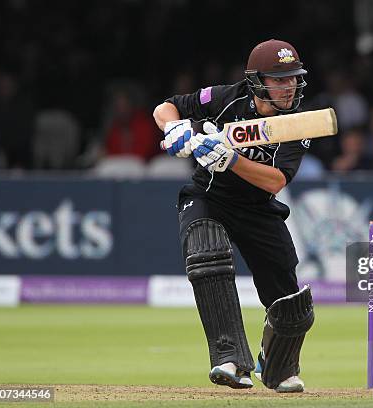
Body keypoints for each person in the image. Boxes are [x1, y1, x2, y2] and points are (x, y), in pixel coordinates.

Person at [152, 39, 315, 393]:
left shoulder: (298, 123)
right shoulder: (225, 97)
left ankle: (279, 368)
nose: (289, 87)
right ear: (257, 81)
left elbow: (276, 181)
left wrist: (231, 159)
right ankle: (230, 360)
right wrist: (175, 129)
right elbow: (166, 107)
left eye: (293, 79)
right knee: (206, 252)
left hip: (259, 208)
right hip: (209, 196)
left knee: (292, 303)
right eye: (280, 79)